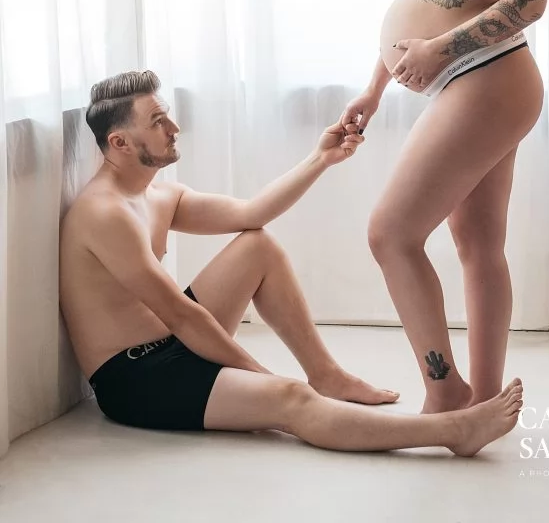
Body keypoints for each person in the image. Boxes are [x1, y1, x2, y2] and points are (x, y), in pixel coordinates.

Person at [59, 69, 524, 455]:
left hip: (169, 342)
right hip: (136, 377)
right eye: (158, 121)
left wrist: (320, 159)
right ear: (119, 142)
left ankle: (327, 374)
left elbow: (251, 213)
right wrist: (260, 377)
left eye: (168, 116)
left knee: (256, 244)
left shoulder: (157, 193)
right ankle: (453, 433)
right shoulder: (106, 214)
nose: (174, 128)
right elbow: (181, 314)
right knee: (290, 400)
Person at [341, 0, 549, 415]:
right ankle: (482, 403)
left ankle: (444, 393)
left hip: (489, 79)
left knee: (390, 233)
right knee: (476, 244)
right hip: (464, 80)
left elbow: (529, 1)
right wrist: (374, 87)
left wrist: (435, 50)